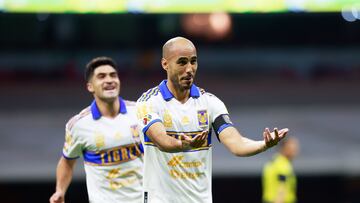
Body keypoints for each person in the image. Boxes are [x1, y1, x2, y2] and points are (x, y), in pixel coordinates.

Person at [136, 36, 289, 203]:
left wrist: (264, 144)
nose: (189, 69)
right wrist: (183, 145)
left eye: (193, 61)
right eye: (182, 62)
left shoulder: (210, 103)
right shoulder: (149, 102)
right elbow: (161, 140)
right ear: (165, 64)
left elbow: (236, 143)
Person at [50, 56, 143, 203]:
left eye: (113, 75)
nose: (109, 80)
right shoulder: (78, 125)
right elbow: (67, 161)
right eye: (101, 76)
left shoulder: (141, 112)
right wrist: (60, 190)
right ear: (90, 86)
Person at [262, 137, 299, 203]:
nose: (295, 152)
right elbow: (282, 185)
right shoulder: (283, 164)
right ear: (284, 149)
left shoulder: (274, 161)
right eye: (292, 149)